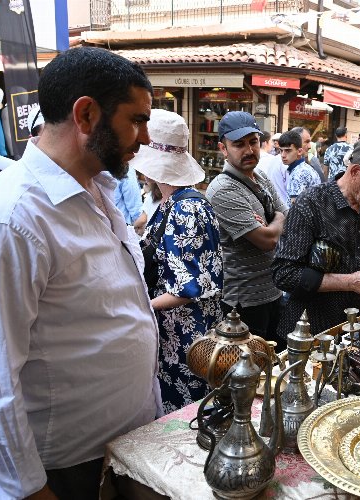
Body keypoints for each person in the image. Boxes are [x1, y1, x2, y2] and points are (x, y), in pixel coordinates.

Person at [0, 46, 162, 500]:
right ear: (86, 115)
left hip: (125, 445)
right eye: (137, 119)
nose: (143, 138)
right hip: (67, 471)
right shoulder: (13, 218)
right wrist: (30, 489)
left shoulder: (100, 188)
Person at [132, 109, 223, 413]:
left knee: (187, 417)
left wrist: (141, 307)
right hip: (182, 334)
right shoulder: (176, 202)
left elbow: (187, 288)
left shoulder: (185, 209)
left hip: (186, 337)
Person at [272, 136, 360, 335]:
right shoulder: (311, 204)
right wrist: (350, 282)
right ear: (355, 171)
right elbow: (283, 274)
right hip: (311, 332)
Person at [206, 112, 288, 346]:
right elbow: (268, 240)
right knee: (248, 375)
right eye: (239, 144)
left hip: (272, 291)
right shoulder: (222, 190)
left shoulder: (260, 176)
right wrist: (275, 221)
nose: (249, 150)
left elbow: (287, 215)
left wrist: (273, 221)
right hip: (244, 303)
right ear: (223, 148)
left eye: (253, 142)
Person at [280, 130, 321, 204]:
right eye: (281, 150)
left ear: (299, 151)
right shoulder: (304, 168)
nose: (283, 155)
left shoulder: (298, 174)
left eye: (288, 151)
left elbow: (296, 208)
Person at [256, 130, 289, 209]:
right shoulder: (274, 160)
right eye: (271, 141)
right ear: (265, 143)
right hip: (276, 204)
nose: (273, 144)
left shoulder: (252, 161)